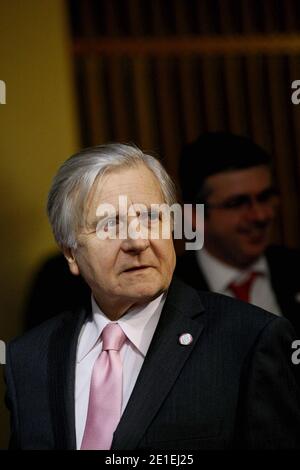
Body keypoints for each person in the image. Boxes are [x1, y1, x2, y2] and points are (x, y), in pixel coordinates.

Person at [5, 143, 300, 450]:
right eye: (110, 225)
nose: (137, 241)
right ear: (70, 253)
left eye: (150, 217)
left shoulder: (249, 340)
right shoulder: (27, 359)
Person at [176, 132, 300, 335]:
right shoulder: (171, 295)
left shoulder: (294, 270)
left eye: (265, 197)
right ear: (194, 216)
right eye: (238, 203)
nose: (260, 215)